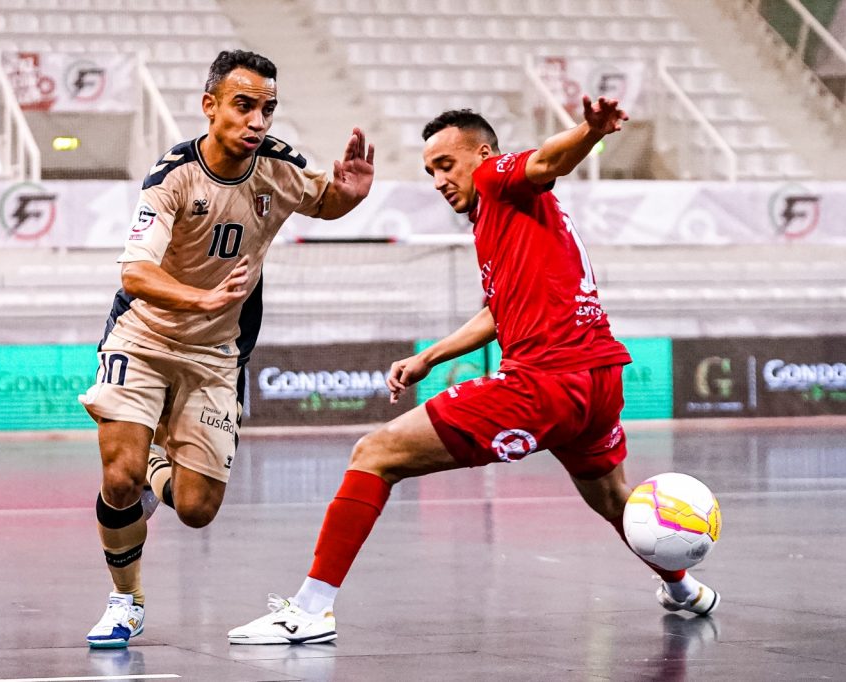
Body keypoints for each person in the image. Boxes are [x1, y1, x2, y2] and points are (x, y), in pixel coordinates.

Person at [228, 97, 719, 645]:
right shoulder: (503, 221)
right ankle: (683, 587)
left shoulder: (495, 179)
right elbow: (497, 312)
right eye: (429, 171)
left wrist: (590, 131)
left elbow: (546, 163)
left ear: (483, 154)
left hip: (544, 381)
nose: (438, 180)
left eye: (445, 164)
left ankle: (311, 609)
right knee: (611, 499)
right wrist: (428, 357)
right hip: (599, 378)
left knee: (375, 454)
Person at [79, 49, 375, 648]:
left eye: (268, 108)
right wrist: (203, 298)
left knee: (196, 509)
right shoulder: (172, 178)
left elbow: (326, 200)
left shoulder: (278, 168)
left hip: (217, 354)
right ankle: (126, 601)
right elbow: (134, 274)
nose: (258, 121)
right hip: (143, 335)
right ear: (210, 105)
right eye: (244, 106)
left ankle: (156, 469)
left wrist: (351, 196)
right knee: (119, 474)